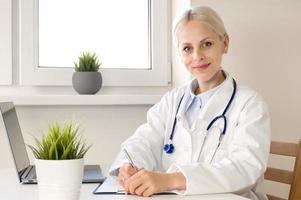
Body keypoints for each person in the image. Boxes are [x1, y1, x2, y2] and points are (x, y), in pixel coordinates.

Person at [109, 6, 270, 200]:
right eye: (187, 48)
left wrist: (169, 180)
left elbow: (245, 168)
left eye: (207, 44)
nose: (197, 56)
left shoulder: (249, 104)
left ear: (225, 43)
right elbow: (144, 140)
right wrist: (128, 165)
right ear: (180, 53)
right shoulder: (172, 101)